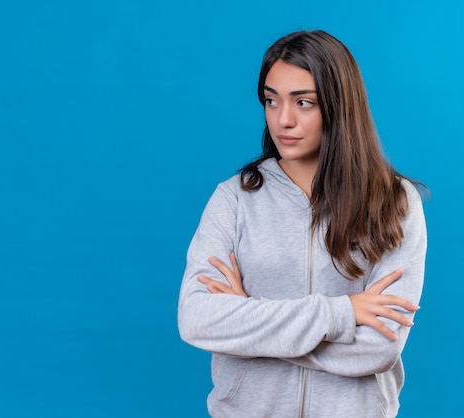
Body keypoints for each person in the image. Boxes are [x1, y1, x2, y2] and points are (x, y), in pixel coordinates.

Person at [178, 29, 427, 417]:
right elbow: (196, 320)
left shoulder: (393, 202)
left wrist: (249, 319)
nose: (283, 119)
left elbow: (379, 348)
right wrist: (342, 314)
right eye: (271, 100)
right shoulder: (235, 198)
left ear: (339, 105)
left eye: (304, 102)